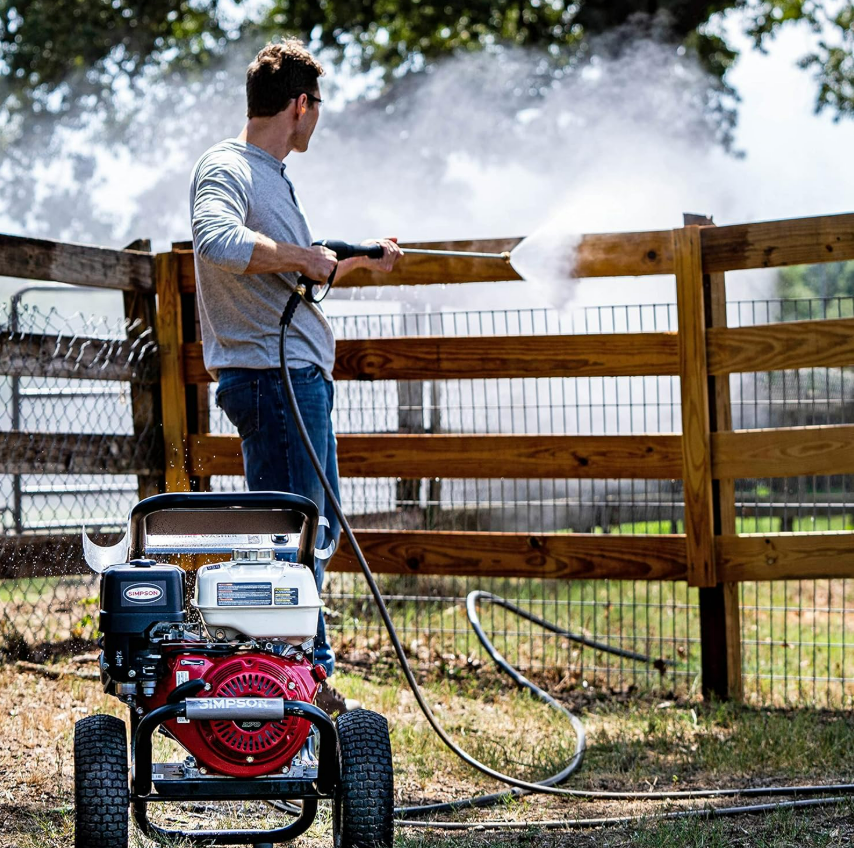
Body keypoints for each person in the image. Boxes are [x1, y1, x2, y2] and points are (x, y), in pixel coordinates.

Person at [189, 39, 403, 714]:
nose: (318, 123)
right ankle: (292, 691)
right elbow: (216, 241)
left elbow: (301, 268)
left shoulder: (271, 177)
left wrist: (363, 259)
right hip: (272, 380)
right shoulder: (229, 168)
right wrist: (301, 256)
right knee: (290, 540)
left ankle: (299, 681)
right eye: (318, 110)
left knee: (306, 533)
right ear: (301, 106)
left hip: (291, 379)